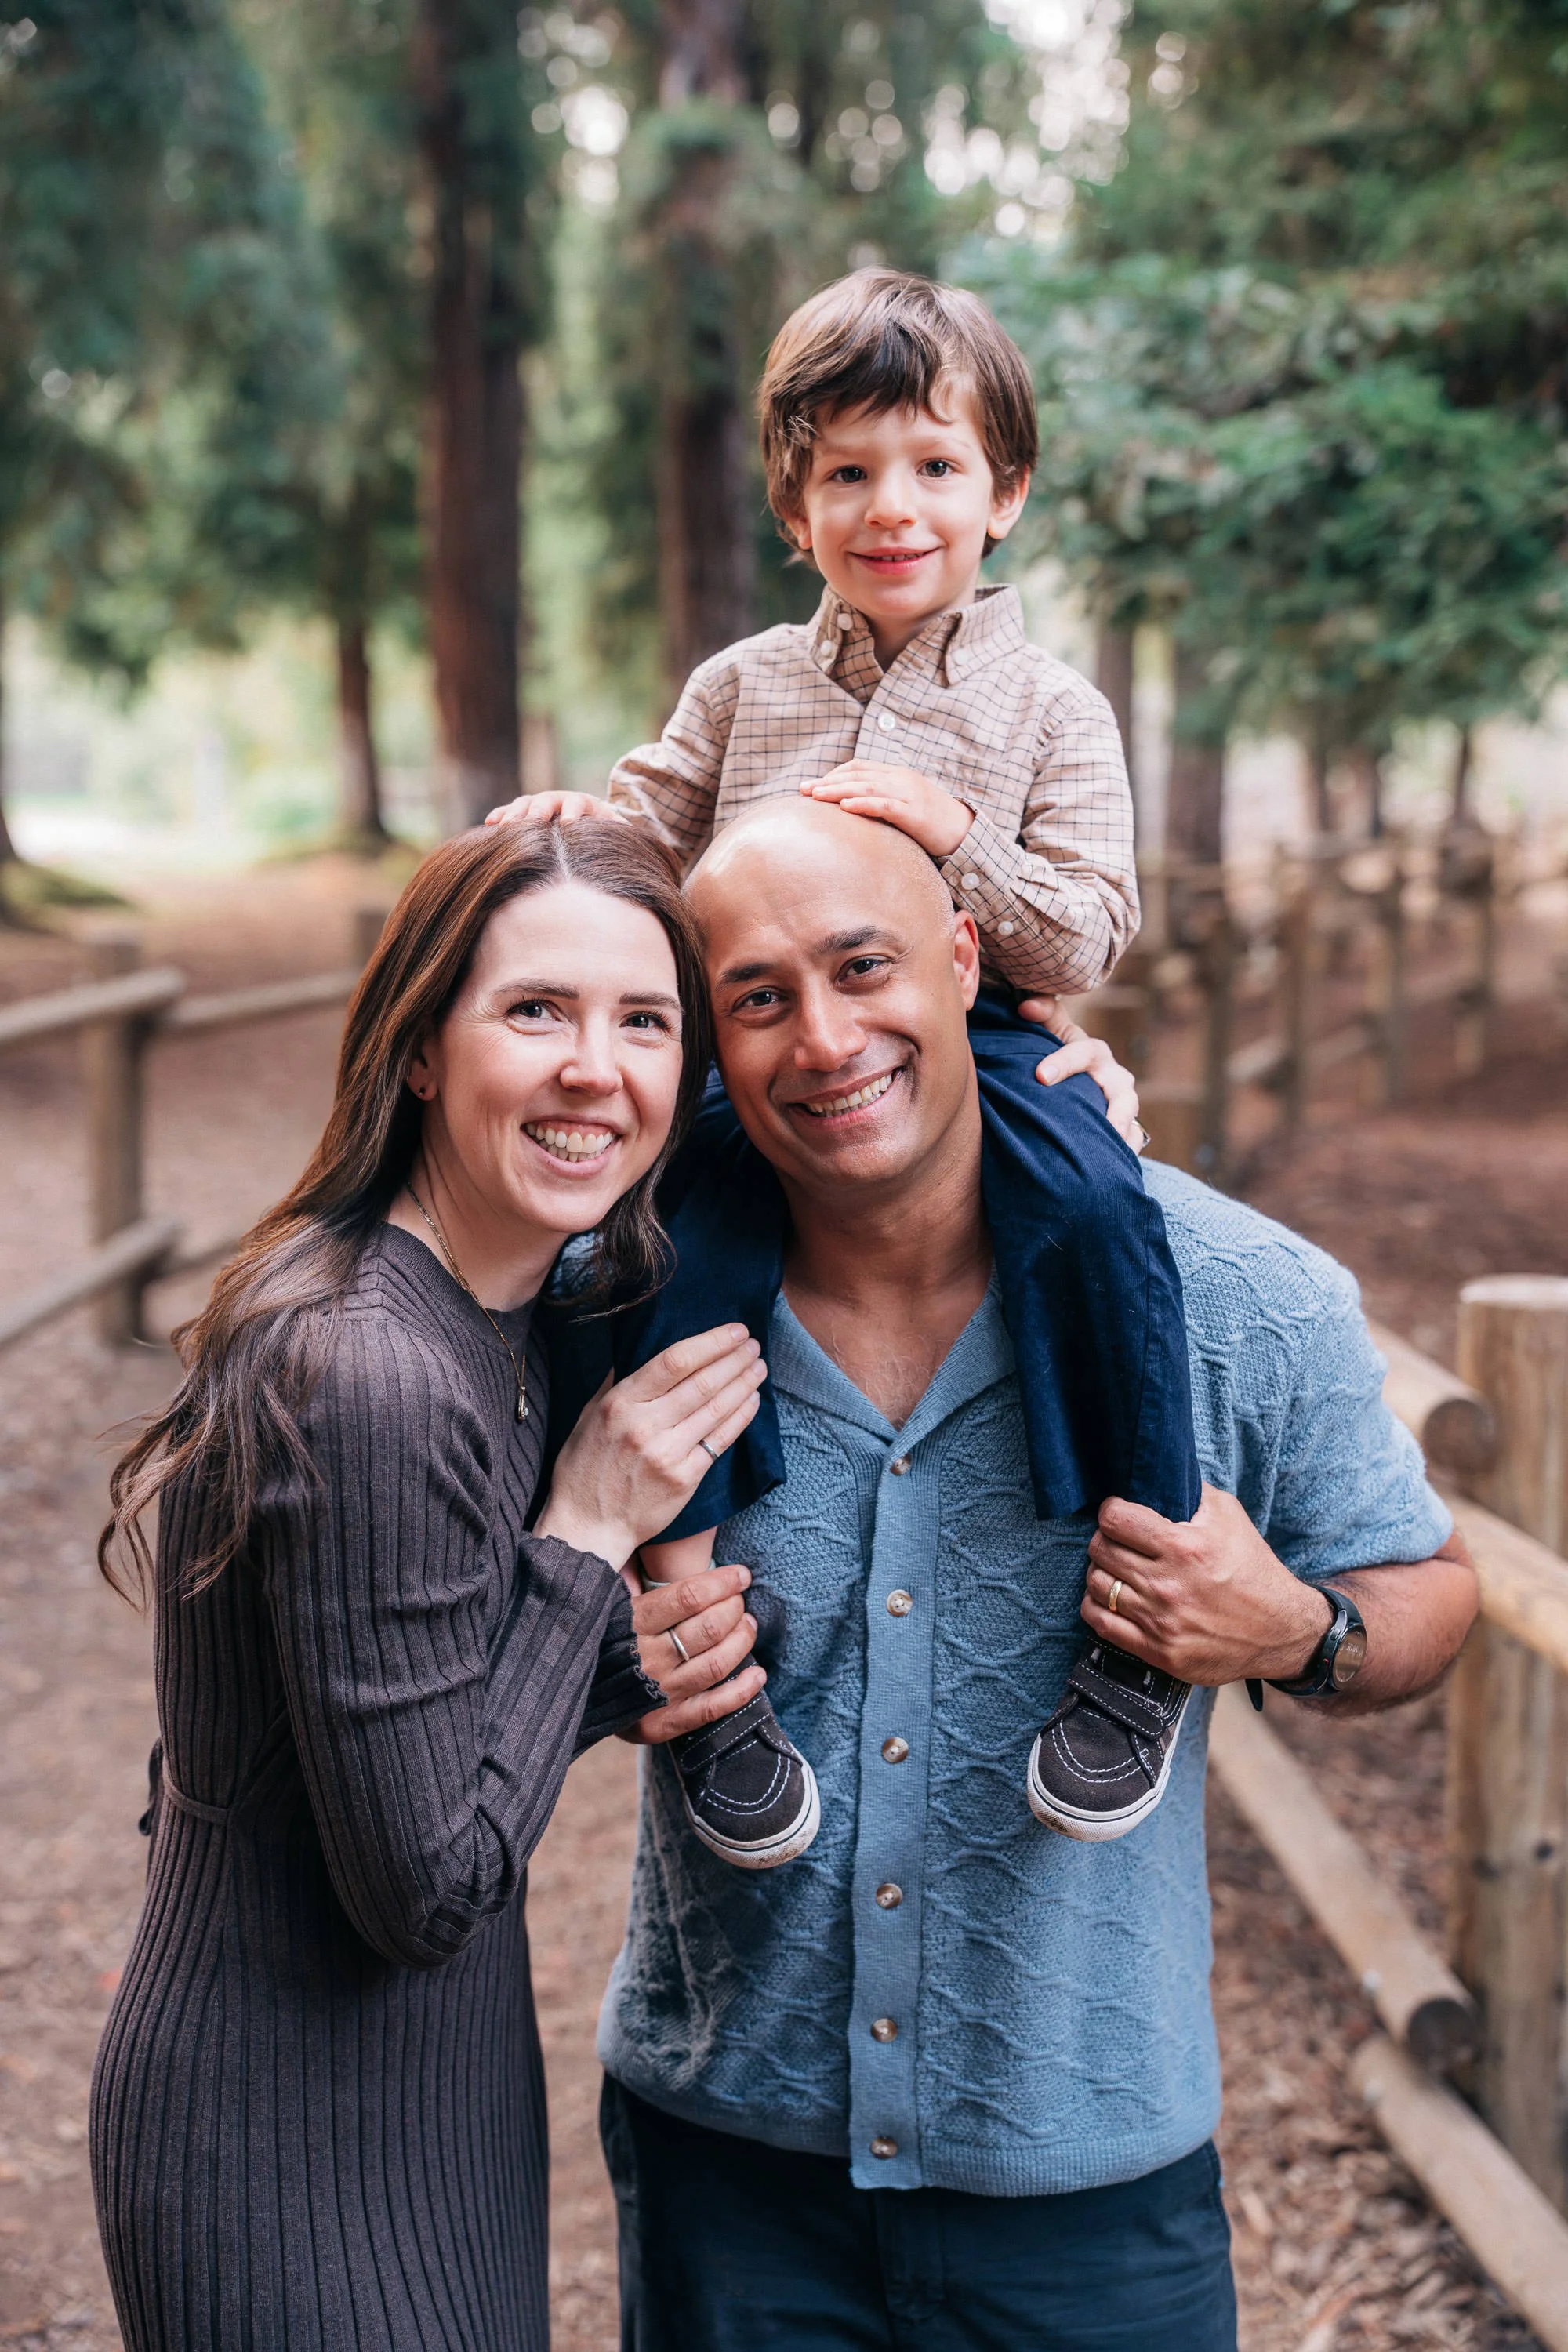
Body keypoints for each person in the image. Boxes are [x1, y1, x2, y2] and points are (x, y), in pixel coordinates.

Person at [584, 799, 1479, 2352]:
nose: (824, 1040)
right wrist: (604, 1653)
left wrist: (1295, 1628)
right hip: (730, 2173)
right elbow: (460, 1627)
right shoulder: (621, 1300)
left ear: (964, 959)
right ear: (709, 1043)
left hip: (1091, 2198)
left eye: (864, 967)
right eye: (758, 998)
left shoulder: (1241, 1295)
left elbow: (1430, 1596)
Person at [493, 266, 1206, 1863]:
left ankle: (1142, 1617)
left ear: (1004, 493)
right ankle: (697, 1643)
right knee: (653, 1258)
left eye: (936, 467)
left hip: (989, 1051)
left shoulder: (1049, 708)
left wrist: (963, 845)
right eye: (848, 471)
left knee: (1100, 1214)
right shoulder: (746, 684)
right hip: (756, 1056)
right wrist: (555, 836)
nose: (894, 507)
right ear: (795, 500)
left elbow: (1087, 930)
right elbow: (644, 824)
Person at [89, 821, 771, 2352]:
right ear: (417, 1049)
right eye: (535, 1010)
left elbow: (305, 1715)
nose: (596, 1069)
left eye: (643, 1021)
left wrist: (610, 1661)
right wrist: (588, 1540)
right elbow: (425, 1886)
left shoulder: (489, 1303)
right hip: (288, 2138)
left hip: (411, 2091)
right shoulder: (375, 1373)